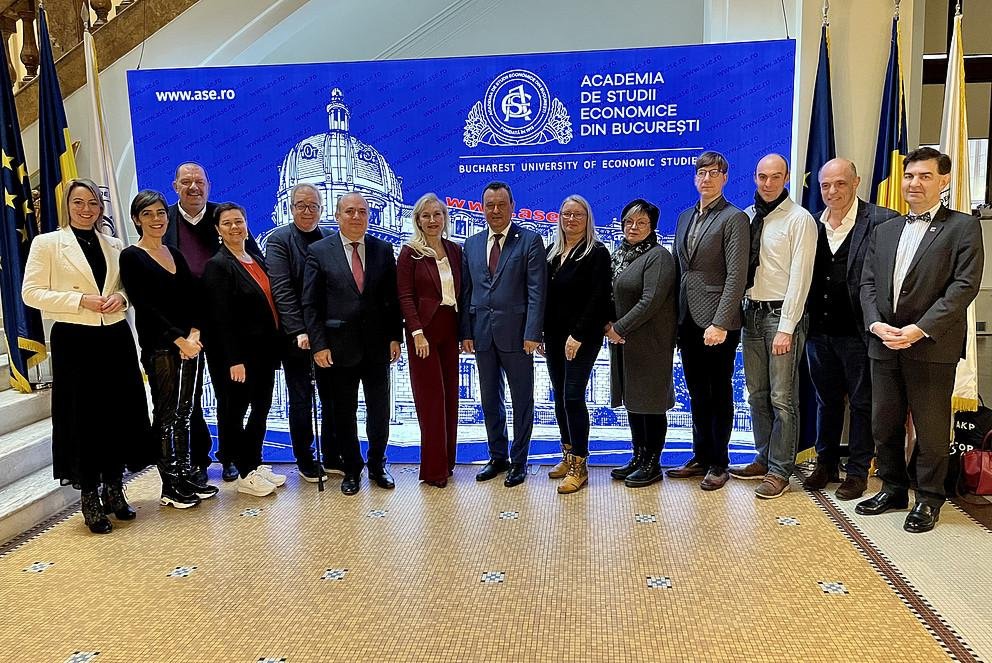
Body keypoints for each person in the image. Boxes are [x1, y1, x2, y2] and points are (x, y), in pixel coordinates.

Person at [857, 147, 984, 533]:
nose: (914, 183)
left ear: (943, 181)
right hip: (884, 343)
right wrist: (877, 325)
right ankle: (893, 487)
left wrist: (919, 329)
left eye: (925, 176)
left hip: (930, 345)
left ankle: (929, 497)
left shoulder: (962, 227)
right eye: (910, 176)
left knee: (930, 429)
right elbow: (867, 284)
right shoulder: (885, 229)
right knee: (885, 423)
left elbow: (963, 287)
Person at [22, 178, 153, 534]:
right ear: (68, 205)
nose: (86, 209)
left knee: (117, 412)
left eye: (93, 203)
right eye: (79, 202)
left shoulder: (114, 244)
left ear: (101, 208)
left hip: (114, 335)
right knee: (83, 417)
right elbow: (31, 293)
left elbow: (126, 287)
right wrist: (79, 300)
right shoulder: (47, 243)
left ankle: (114, 487)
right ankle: (90, 497)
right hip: (74, 338)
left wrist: (122, 300)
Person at [803, 159, 899, 500]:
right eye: (826, 185)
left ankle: (857, 471)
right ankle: (825, 464)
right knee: (826, 401)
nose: (832, 191)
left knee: (862, 403)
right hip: (818, 332)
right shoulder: (811, 223)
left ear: (856, 182)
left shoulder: (883, 220)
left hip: (860, 333)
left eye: (840, 184)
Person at [120, 190, 220, 509]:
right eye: (148, 214)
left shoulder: (175, 253)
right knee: (166, 413)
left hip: (191, 344)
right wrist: (180, 340)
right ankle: (170, 484)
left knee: (186, 412)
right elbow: (145, 306)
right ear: (137, 219)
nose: (156, 219)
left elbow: (193, 297)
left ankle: (185, 473)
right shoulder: (131, 257)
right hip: (162, 347)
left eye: (161, 212)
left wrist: (195, 333)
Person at [302, 192, 403, 496]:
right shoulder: (320, 251)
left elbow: (391, 300)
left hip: (377, 348)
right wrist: (319, 345)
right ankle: (352, 469)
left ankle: (377, 465)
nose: (356, 217)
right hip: (337, 348)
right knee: (343, 413)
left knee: (379, 411)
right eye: (350, 211)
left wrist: (394, 336)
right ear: (337, 215)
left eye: (362, 211)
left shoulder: (383, 250)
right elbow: (311, 303)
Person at [728, 154, 816, 499]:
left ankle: (781, 470)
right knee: (757, 394)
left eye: (775, 177)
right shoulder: (748, 217)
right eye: (762, 176)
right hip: (751, 313)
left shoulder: (799, 219)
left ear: (787, 178)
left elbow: (800, 278)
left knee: (783, 397)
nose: (768, 183)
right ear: (754, 177)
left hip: (782, 316)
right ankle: (763, 457)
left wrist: (788, 327)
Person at [667, 151, 749, 491]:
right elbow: (679, 269)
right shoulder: (686, 216)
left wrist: (721, 322)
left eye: (714, 172)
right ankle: (700, 455)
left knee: (718, 393)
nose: (707, 178)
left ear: (725, 178)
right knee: (697, 393)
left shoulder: (734, 218)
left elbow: (736, 276)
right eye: (701, 172)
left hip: (717, 321)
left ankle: (719, 462)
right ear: (695, 177)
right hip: (687, 317)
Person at [460, 181, 547, 488]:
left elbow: (537, 291)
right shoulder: (470, 244)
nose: (495, 211)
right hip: (482, 335)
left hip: (519, 336)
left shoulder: (530, 241)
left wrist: (533, 332)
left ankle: (519, 461)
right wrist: (466, 332)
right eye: (489, 205)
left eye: (501, 205)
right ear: (483, 208)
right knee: (489, 401)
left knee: (522, 400)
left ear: (512, 206)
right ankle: (498, 457)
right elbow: (467, 291)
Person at [201, 203, 286, 497]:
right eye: (227, 223)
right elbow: (220, 319)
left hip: (264, 353)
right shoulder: (218, 265)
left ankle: (256, 463)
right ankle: (243, 470)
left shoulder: (257, 259)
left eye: (239, 221)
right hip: (240, 358)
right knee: (235, 413)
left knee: (261, 410)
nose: (235, 227)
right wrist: (233, 359)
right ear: (218, 230)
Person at [164, 162, 235, 482]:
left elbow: (251, 261)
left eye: (199, 181)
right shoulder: (161, 220)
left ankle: (231, 455)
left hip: (222, 323)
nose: (194, 187)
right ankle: (198, 459)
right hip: (181, 326)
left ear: (209, 185)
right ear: (175, 186)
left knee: (228, 393)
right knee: (188, 398)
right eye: (186, 182)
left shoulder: (225, 216)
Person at [265, 182, 339, 483]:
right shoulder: (279, 240)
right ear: (291, 208)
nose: (307, 211)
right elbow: (281, 290)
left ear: (321, 209)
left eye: (313, 206)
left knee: (333, 396)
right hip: (296, 336)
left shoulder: (331, 238)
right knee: (301, 398)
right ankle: (305, 457)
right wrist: (299, 329)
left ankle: (333, 454)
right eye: (301, 205)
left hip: (329, 334)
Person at [542, 194, 612, 494]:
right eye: (566, 214)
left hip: (583, 336)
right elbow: (544, 298)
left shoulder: (596, 253)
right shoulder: (551, 253)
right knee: (559, 396)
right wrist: (543, 334)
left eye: (578, 215)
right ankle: (567, 456)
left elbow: (598, 299)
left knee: (572, 396)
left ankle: (580, 466)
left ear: (588, 219)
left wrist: (579, 335)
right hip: (554, 336)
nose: (571, 219)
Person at [606, 199, 678, 488]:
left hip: (651, 342)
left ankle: (652, 463)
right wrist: (607, 324)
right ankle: (638, 456)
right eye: (628, 222)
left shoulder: (659, 257)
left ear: (652, 227)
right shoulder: (620, 255)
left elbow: (650, 301)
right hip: (624, 341)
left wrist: (618, 327)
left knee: (651, 403)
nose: (633, 227)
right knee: (634, 401)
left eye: (641, 223)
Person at [397, 193, 463, 488]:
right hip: (423, 332)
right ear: (418, 220)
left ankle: (447, 463)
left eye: (437, 215)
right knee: (431, 401)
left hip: (450, 327)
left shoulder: (454, 250)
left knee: (450, 398)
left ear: (444, 218)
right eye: (426, 216)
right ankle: (434, 470)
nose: (432, 220)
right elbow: (405, 297)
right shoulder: (409, 253)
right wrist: (416, 333)